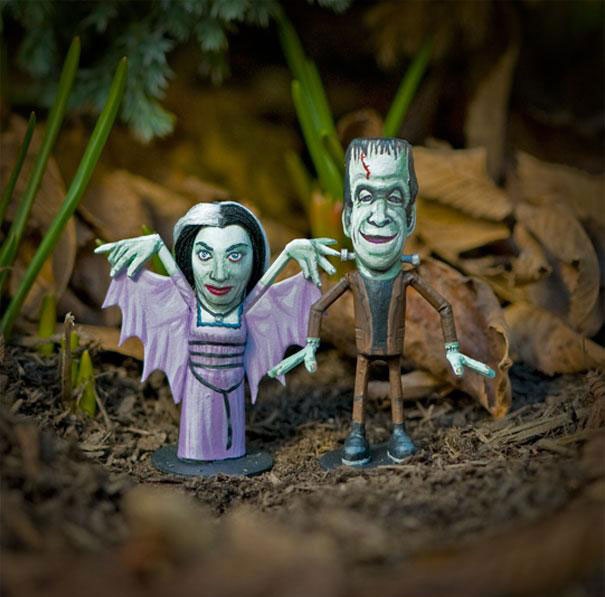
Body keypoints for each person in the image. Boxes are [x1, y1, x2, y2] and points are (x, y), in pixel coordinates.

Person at [270, 138, 495, 466]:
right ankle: (357, 432)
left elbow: (443, 307)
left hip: (393, 345)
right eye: (365, 196)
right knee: (360, 389)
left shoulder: (405, 279)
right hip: (364, 347)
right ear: (347, 220)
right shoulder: (353, 279)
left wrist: (452, 350)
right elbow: (318, 307)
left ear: (410, 218)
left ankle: (399, 432)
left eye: (393, 197)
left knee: (395, 385)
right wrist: (310, 345)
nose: (379, 216)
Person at [96, 201, 338, 462]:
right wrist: (154, 244)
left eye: (235, 256)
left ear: (254, 258)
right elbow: (172, 271)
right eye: (204, 255)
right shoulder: (190, 306)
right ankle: (195, 454)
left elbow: (267, 282)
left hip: (234, 388)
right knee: (196, 443)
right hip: (197, 388)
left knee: (232, 444)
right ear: (189, 257)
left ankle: (230, 454)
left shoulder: (247, 309)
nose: (219, 274)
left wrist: (290, 250)